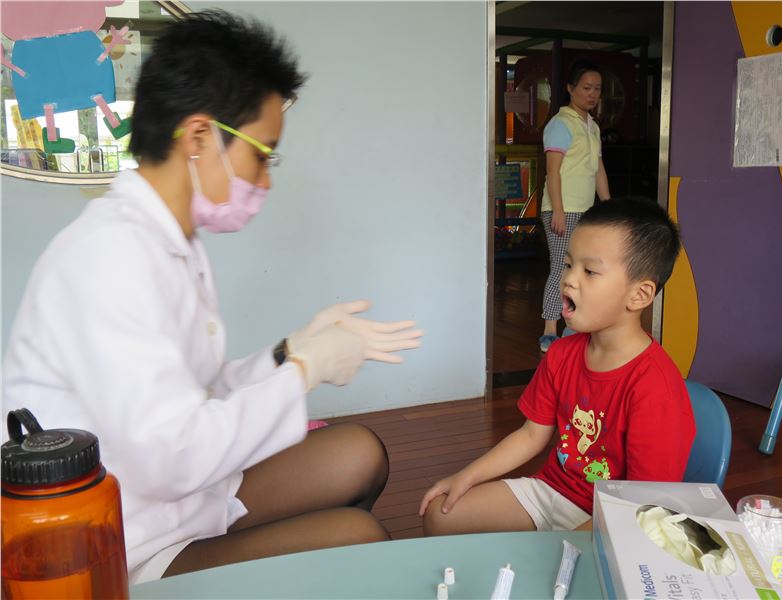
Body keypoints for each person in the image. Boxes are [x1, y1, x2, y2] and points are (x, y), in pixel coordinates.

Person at [2, 11, 423, 584]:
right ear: (199, 137)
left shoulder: (169, 241)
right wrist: (304, 372)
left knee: (358, 453)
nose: (266, 181)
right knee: (357, 539)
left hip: (185, 495)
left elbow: (196, 393)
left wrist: (289, 352)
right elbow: (169, 459)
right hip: (124, 543)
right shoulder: (108, 257)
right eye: (262, 155)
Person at [419, 198, 695, 536]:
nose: (569, 280)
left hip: (616, 516)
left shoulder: (656, 388)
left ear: (639, 295)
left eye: (589, 271)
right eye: (568, 264)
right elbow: (531, 434)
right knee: (441, 513)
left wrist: (569, 541)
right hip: (551, 491)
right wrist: (467, 476)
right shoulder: (562, 353)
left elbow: (644, 505)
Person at [539, 59, 611, 353]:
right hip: (563, 209)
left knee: (580, 269)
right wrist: (557, 210)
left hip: (585, 210)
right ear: (570, 89)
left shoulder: (592, 126)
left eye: (597, 89)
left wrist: (608, 206)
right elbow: (552, 170)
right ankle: (549, 330)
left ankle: (572, 324)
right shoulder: (561, 124)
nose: (592, 94)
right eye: (586, 88)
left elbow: (598, 169)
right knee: (561, 266)